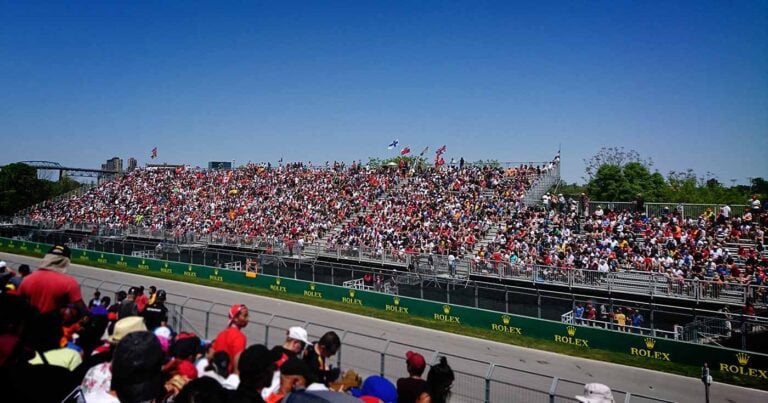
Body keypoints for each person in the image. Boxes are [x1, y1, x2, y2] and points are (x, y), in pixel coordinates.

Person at [18, 244, 87, 315]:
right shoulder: (70, 283)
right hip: (54, 320)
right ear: (66, 261)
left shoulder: (27, 279)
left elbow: (18, 303)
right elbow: (83, 310)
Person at [212, 304, 250, 373]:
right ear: (235, 318)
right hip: (228, 375)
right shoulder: (240, 337)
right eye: (245, 316)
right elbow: (237, 364)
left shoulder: (221, 333)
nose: (247, 319)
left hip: (216, 372)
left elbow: (211, 354)